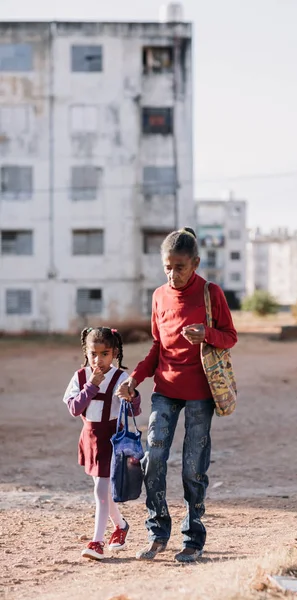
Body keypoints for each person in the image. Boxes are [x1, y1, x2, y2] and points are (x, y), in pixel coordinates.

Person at [117, 227, 237, 563]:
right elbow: (158, 347)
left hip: (201, 393)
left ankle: (193, 538)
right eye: (167, 267)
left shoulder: (211, 294)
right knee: (152, 460)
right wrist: (135, 377)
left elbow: (230, 336)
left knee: (191, 468)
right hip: (165, 391)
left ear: (195, 263)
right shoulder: (159, 296)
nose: (173, 274)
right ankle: (157, 531)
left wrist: (207, 334)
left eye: (180, 267)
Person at [63, 326, 141, 561]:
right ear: (86, 352)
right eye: (93, 354)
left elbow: (135, 410)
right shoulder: (80, 377)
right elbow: (75, 409)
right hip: (90, 437)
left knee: (100, 490)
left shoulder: (121, 378)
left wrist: (132, 396)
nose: (98, 359)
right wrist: (92, 385)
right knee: (103, 488)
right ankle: (121, 525)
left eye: (104, 354)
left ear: (115, 352)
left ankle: (97, 542)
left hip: (112, 439)